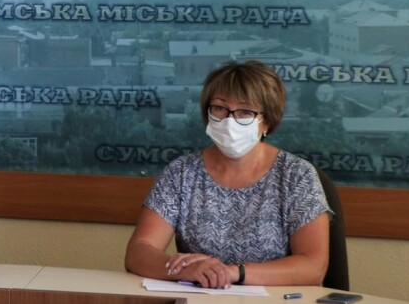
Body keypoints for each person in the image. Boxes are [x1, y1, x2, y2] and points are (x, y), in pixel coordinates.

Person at [125, 60, 330, 288]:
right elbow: (139, 252)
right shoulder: (181, 173)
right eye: (219, 108)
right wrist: (184, 269)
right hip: (199, 302)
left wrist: (232, 273)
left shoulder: (296, 176)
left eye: (245, 112)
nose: (229, 121)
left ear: (267, 122)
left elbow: (313, 267)